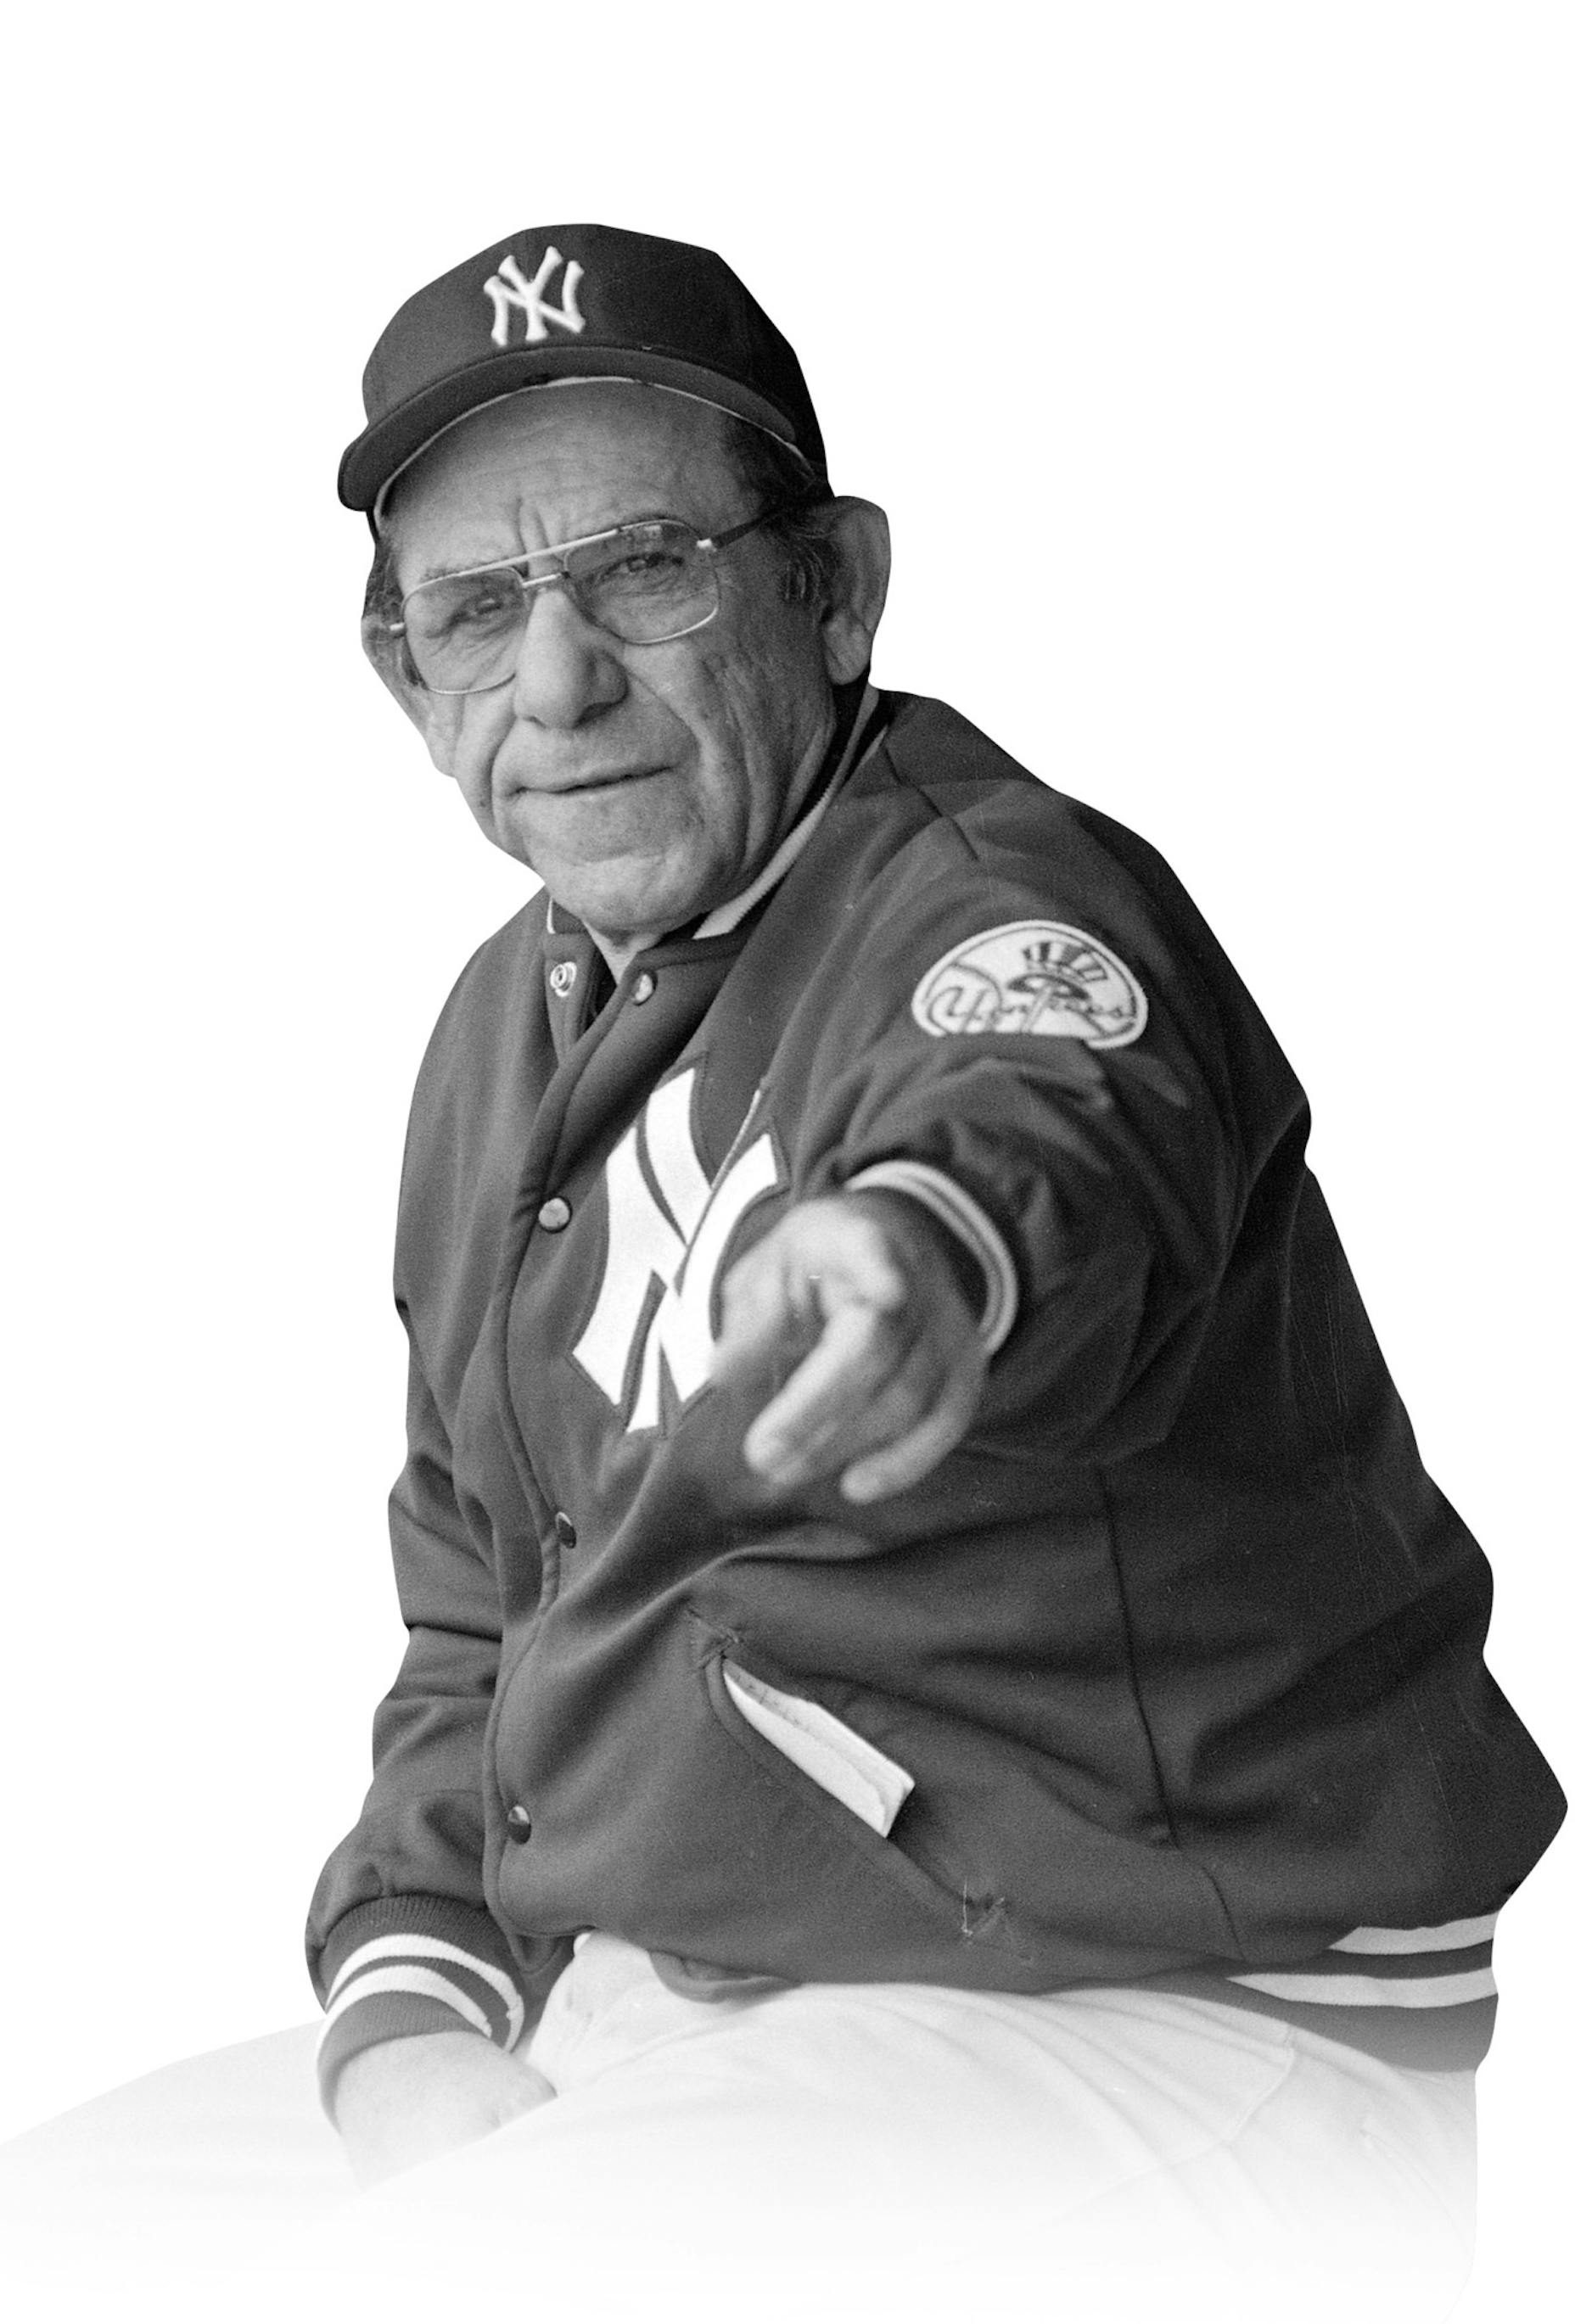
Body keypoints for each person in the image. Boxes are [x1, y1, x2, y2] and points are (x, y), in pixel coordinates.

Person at [300, 230, 1563, 2310]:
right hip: (717, 1979)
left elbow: (1046, 1140)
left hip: (1162, 2009)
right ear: (403, 675)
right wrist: (411, 2004)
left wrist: (915, 1262)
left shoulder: (1000, 904)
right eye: (476, 609)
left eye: (641, 568)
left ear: (834, 583)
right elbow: (482, 1599)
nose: (555, 678)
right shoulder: (491, 1038)